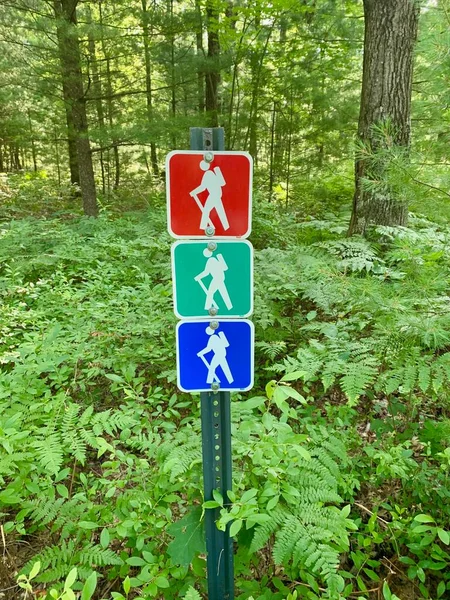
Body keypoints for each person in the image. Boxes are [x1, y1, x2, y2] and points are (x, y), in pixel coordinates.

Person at [189, 160, 229, 231]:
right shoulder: (211, 173)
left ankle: (202, 228)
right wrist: (194, 192)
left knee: (206, 210)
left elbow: (203, 187)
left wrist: (193, 192)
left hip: (214, 194)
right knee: (220, 210)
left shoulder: (207, 174)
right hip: (217, 194)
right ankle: (226, 227)